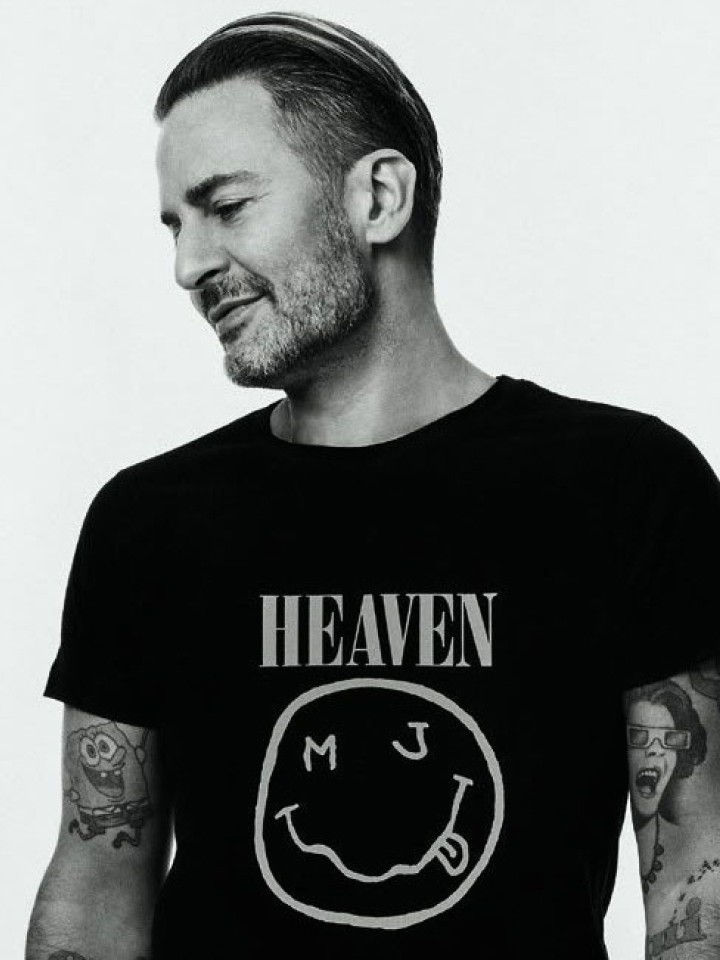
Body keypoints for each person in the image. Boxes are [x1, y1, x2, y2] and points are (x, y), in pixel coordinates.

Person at [26, 11, 720, 960]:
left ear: (380, 197)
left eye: (226, 207)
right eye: (176, 226)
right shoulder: (147, 522)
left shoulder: (628, 486)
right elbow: (97, 884)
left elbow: (694, 872)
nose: (189, 265)